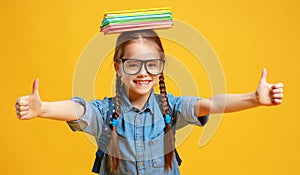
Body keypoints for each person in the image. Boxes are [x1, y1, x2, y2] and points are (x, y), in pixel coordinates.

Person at [15, 29, 284, 175]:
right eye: (133, 64)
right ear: (117, 67)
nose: (143, 73)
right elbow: (79, 109)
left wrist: (254, 99)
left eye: (151, 65)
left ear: (161, 68)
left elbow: (211, 103)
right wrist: (43, 108)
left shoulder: (172, 107)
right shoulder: (106, 112)